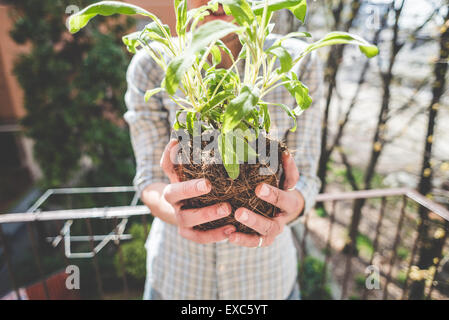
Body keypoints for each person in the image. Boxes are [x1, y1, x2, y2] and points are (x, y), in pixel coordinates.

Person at [124, 0, 324, 300]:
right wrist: (175, 211)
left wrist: (287, 206)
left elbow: (306, 177)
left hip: (265, 282)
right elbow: (150, 179)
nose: (216, 1)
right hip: (177, 278)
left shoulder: (298, 61)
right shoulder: (153, 64)